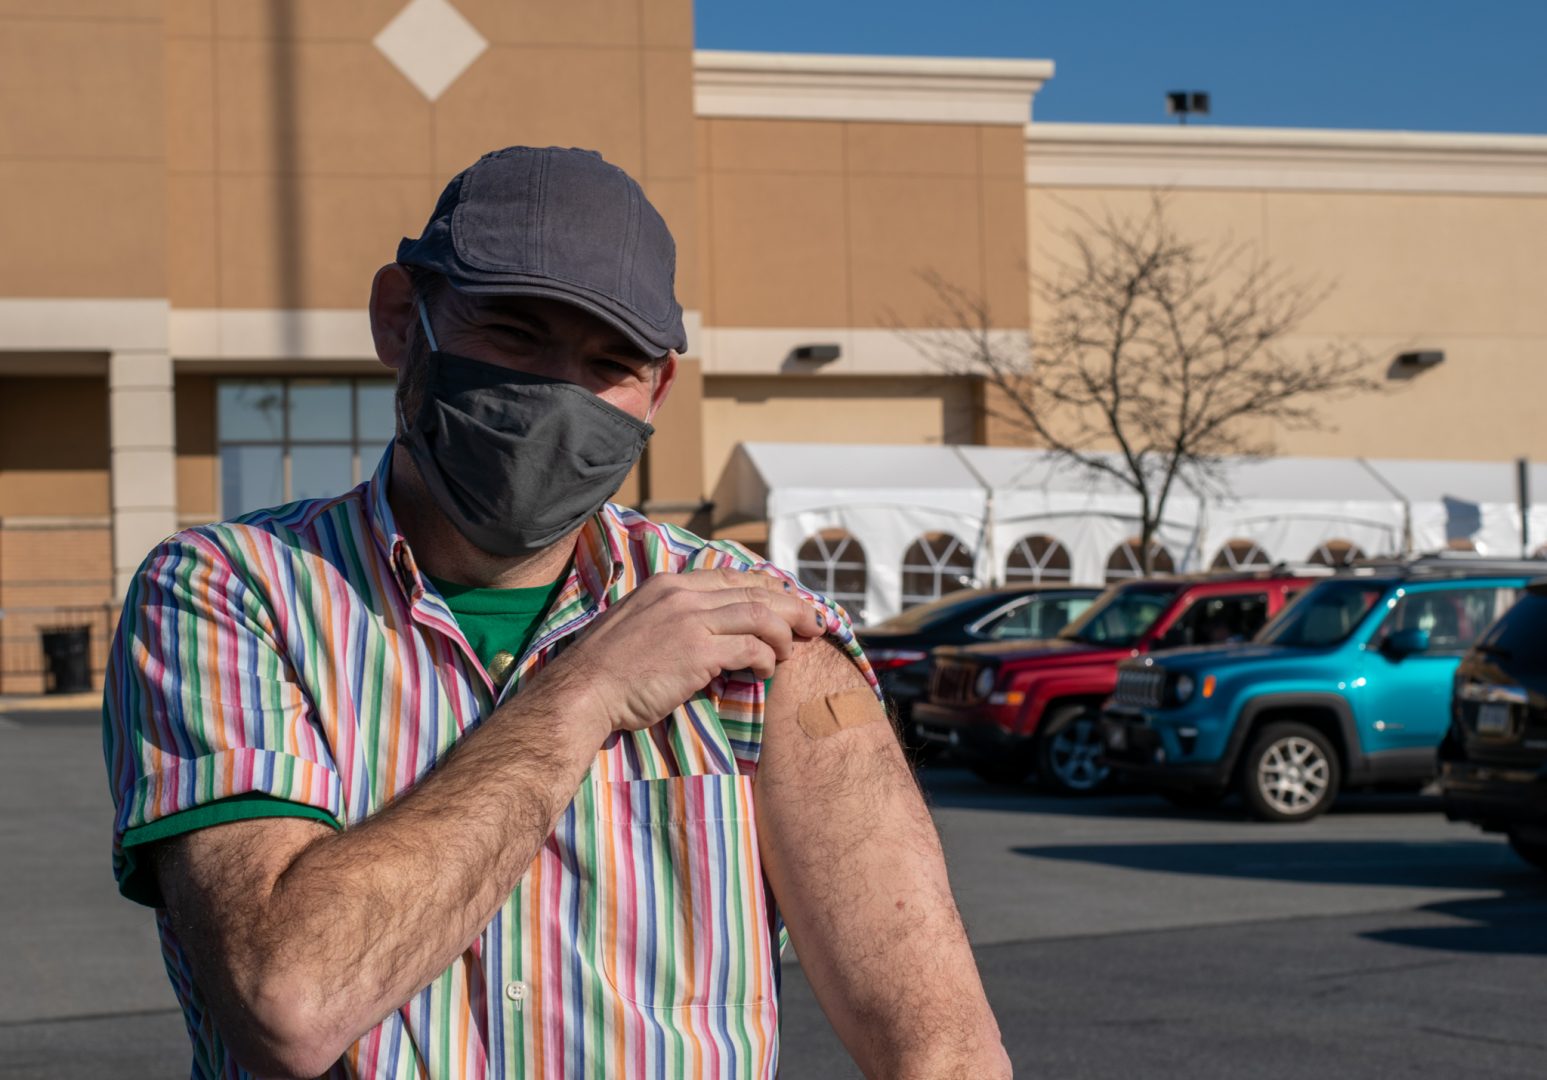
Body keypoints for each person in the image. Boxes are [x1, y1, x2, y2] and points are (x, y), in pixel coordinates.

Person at [103, 146, 1007, 1079]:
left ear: (655, 391)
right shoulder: (228, 591)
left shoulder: (764, 633)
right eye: (514, 335)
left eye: (608, 362)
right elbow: (287, 1002)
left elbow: (942, 1049)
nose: (556, 396)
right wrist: (583, 695)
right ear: (398, 319)